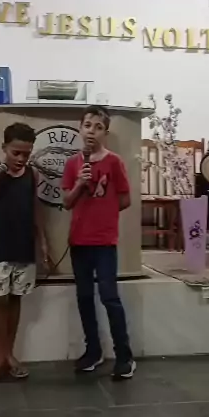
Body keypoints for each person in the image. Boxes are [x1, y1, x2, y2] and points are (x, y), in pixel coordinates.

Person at [62, 105, 136, 379]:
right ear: (80, 128)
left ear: (105, 132)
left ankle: (124, 356)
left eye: (98, 127)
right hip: (78, 241)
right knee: (84, 297)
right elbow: (66, 202)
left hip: (104, 241)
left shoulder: (114, 162)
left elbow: (125, 199)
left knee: (109, 297)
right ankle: (93, 351)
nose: (91, 131)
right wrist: (80, 184)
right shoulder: (72, 164)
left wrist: (103, 214)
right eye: (87, 125)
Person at [0, 122, 48, 385]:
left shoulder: (32, 175)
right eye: (16, 153)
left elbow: (36, 210)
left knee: (15, 299)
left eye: (26, 153)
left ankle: (9, 355)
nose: (21, 159)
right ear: (4, 148)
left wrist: (43, 243)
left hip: (23, 246)